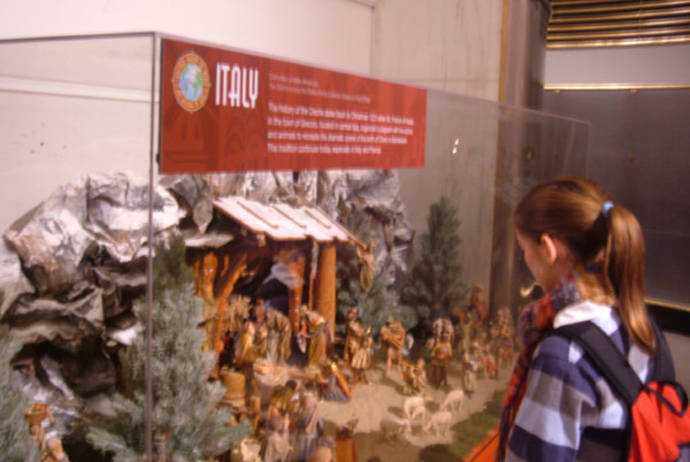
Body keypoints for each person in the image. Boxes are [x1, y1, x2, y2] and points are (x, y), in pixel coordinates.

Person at [497, 176, 676, 462]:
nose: (525, 259)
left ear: (548, 249)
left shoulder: (562, 356)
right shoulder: (642, 325)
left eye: (524, 249)